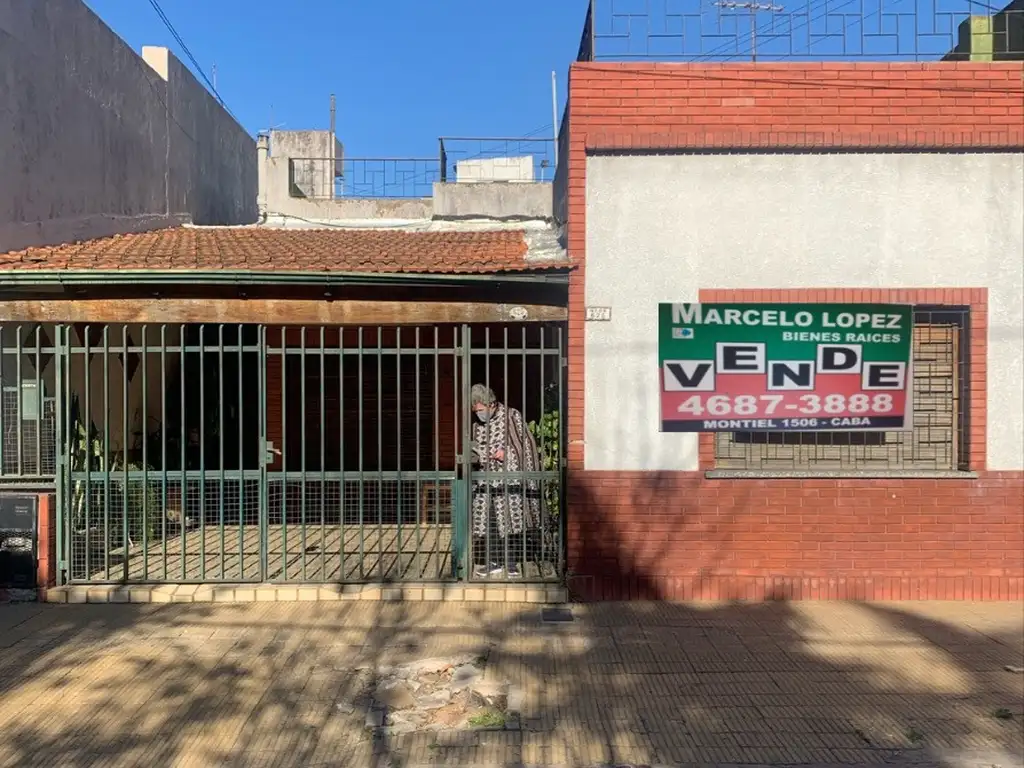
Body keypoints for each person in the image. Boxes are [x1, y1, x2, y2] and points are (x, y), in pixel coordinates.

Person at [469, 384, 541, 578]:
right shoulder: (478, 425)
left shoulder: (512, 416)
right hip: (486, 482)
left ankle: (511, 563)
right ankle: (494, 561)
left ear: (491, 404)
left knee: (509, 521)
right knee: (490, 521)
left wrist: (506, 453)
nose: (478, 415)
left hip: (509, 480)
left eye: (481, 410)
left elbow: (525, 444)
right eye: (475, 412)